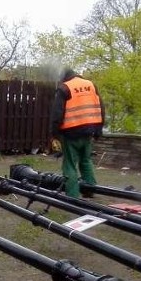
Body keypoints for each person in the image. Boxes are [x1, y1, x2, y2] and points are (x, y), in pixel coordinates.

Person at [49, 68, 105, 198]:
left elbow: (57, 114)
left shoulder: (64, 88)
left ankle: (73, 195)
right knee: (86, 160)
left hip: (71, 133)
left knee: (70, 164)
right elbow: (101, 108)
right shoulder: (91, 85)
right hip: (89, 131)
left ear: (64, 77)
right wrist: (98, 130)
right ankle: (90, 190)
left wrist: (54, 133)